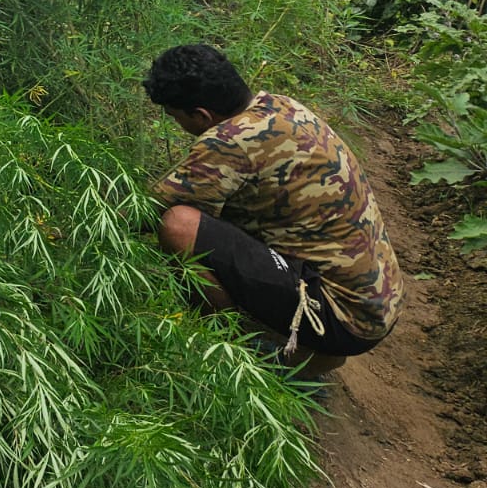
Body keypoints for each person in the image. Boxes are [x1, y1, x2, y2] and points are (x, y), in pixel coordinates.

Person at [143, 43, 405, 376]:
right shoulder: (280, 107)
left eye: (176, 117)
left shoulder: (229, 141)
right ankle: (309, 351)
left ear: (201, 115)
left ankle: (249, 351)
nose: (177, 124)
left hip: (341, 315)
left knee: (178, 225)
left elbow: (144, 211)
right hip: (376, 303)